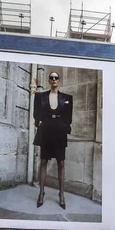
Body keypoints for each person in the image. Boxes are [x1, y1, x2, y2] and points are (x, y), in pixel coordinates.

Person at [33, 71, 73, 210]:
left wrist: (64, 126)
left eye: (56, 77)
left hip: (60, 131)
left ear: (59, 80)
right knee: (43, 160)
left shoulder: (67, 98)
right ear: (49, 81)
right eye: (52, 78)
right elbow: (36, 115)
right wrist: (39, 124)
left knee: (61, 162)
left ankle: (61, 194)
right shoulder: (40, 96)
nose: (54, 79)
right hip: (46, 130)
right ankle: (41, 193)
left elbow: (69, 118)